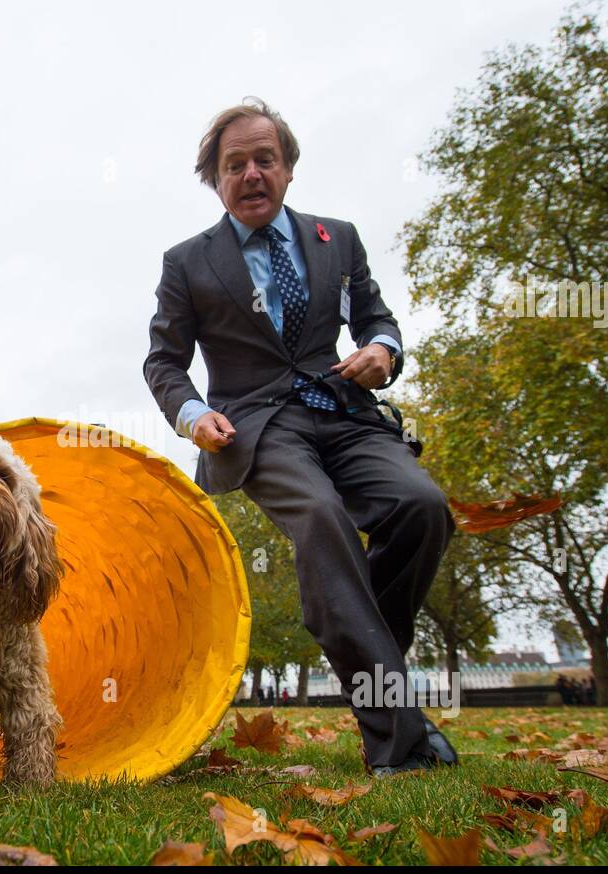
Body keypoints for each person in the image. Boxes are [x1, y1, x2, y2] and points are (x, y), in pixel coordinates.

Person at [144, 98, 456, 777]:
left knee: (423, 508)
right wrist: (193, 414)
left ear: (286, 169)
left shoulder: (336, 240)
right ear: (214, 180)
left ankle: (354, 634)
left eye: (265, 159)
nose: (251, 174)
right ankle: (400, 747)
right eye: (234, 165)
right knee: (321, 521)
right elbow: (163, 362)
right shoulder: (187, 264)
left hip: (344, 410)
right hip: (255, 428)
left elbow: (378, 319)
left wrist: (382, 349)